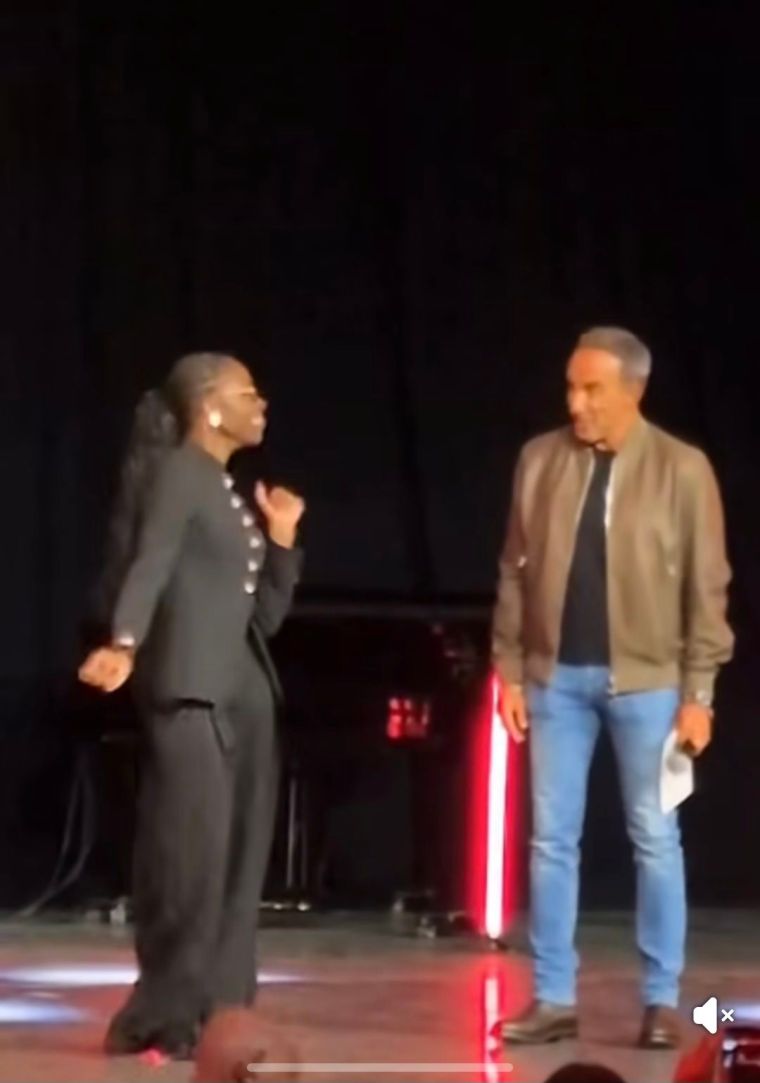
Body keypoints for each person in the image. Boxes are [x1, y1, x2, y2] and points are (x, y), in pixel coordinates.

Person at [492, 327, 733, 1049]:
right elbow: (513, 570)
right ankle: (553, 997)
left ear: (634, 389)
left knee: (656, 838)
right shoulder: (539, 459)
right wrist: (509, 668)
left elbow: (707, 586)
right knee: (550, 840)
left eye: (592, 388)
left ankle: (662, 1002)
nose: (576, 402)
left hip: (650, 683)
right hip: (554, 681)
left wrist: (699, 692)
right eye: (571, 387)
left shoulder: (682, 468)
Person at [79, 352, 304, 1059]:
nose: (261, 404)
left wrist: (282, 540)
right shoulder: (181, 473)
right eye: (247, 393)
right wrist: (124, 641)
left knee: (238, 866)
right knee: (190, 863)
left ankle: (222, 1012)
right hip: (190, 694)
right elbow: (150, 560)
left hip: (245, 700)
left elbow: (263, 619)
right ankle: (164, 1011)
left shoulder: (228, 490)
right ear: (209, 406)